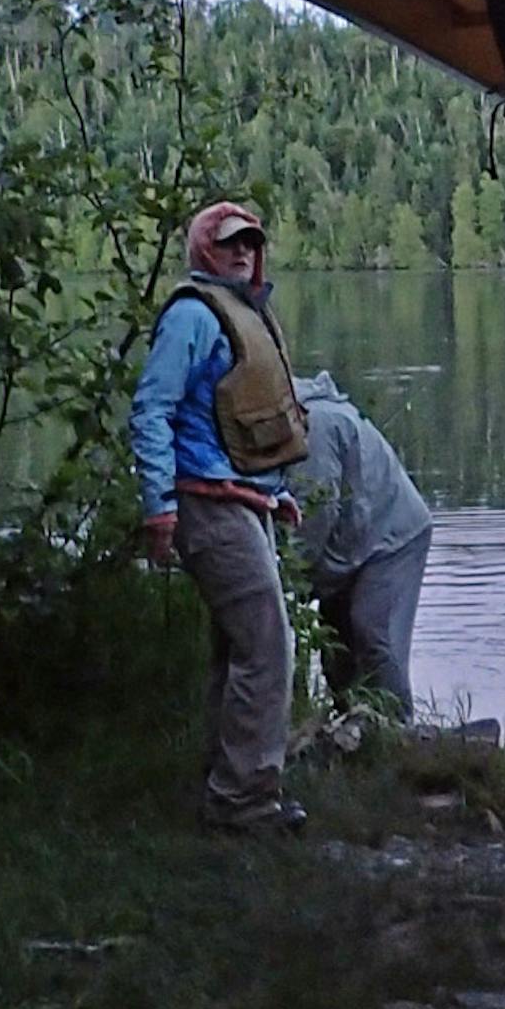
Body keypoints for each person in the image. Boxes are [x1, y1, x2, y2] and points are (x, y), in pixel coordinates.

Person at [131, 199, 309, 833]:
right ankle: (244, 800)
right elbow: (152, 410)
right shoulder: (191, 316)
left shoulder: (242, 312)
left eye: (251, 242)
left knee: (239, 648)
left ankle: (225, 782)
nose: (242, 252)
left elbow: (232, 422)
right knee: (267, 645)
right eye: (230, 242)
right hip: (205, 503)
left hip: (241, 499)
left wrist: (273, 492)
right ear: (205, 248)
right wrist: (160, 509)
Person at [292, 371, 435, 713]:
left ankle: (398, 729)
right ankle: (350, 727)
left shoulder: (315, 427)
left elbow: (317, 512)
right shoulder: (285, 422)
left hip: (394, 535)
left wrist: (291, 577)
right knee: (336, 645)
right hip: (351, 539)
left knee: (373, 634)